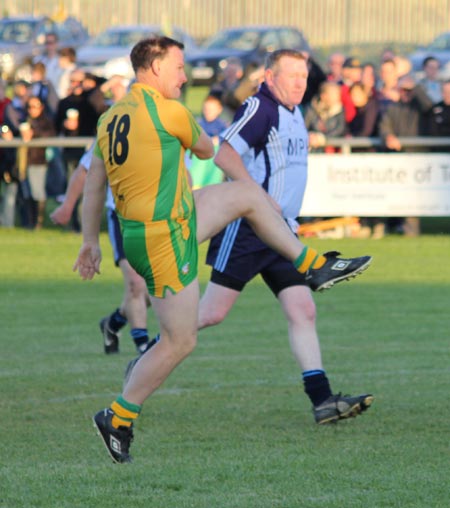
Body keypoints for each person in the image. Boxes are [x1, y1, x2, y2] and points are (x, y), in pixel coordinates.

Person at [73, 36, 371, 464]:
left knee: (246, 195)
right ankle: (117, 417)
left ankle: (312, 265)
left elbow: (95, 186)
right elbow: (208, 149)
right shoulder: (170, 111)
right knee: (180, 342)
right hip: (165, 237)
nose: (184, 76)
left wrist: (89, 242)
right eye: (178, 67)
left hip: (148, 227)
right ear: (153, 68)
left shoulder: (110, 118)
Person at [51, 145, 153, 354]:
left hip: (159, 219)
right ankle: (143, 345)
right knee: (135, 284)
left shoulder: (166, 123)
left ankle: (112, 324)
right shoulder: (114, 126)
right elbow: (85, 170)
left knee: (156, 291)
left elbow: (187, 171)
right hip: (123, 218)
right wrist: (68, 206)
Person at [379, 74, 434, 236]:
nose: (405, 93)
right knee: (399, 196)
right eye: (402, 90)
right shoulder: (393, 108)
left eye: (409, 90)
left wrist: (414, 87)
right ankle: (396, 227)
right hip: (399, 158)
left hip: (419, 158)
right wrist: (387, 136)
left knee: (414, 198)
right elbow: (384, 125)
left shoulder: (420, 108)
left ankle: (410, 230)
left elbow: (428, 105)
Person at [20, 95, 56, 229]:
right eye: (29, 106)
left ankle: (38, 222)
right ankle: (28, 221)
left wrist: (33, 133)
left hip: (38, 161)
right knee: (26, 193)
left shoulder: (45, 121)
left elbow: (50, 134)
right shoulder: (23, 119)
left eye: (35, 106)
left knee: (37, 192)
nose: (32, 110)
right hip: (23, 162)